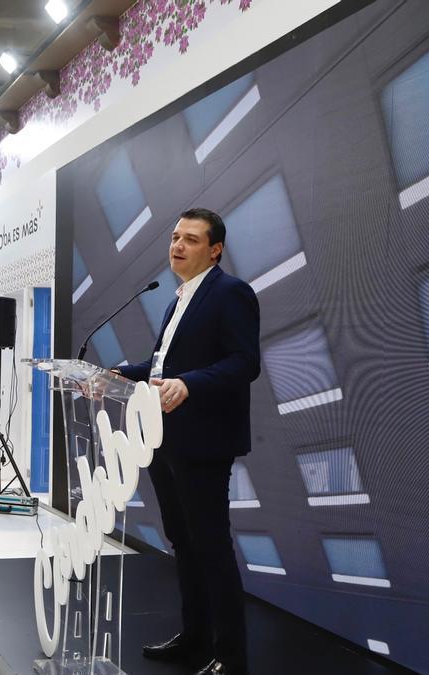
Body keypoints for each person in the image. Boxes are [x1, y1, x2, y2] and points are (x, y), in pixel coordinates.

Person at [116, 208, 260, 675]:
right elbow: (164, 368)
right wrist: (120, 374)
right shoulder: (179, 297)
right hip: (165, 438)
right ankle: (195, 637)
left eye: (191, 239)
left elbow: (244, 362)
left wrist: (192, 383)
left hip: (203, 440)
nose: (178, 245)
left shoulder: (231, 293)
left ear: (215, 249)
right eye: (176, 237)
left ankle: (230, 656)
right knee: (183, 540)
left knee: (211, 546)